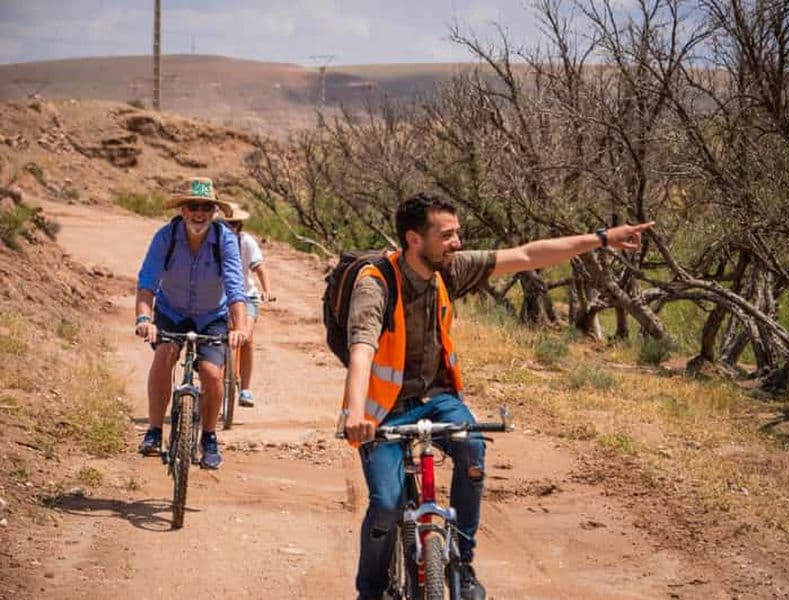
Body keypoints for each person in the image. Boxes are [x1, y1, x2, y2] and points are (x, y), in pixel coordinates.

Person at [343, 192, 654, 600]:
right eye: (447, 234)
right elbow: (361, 349)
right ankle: (371, 590)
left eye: (458, 233)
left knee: (472, 448)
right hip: (381, 410)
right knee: (386, 505)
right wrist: (354, 415)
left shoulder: (449, 270)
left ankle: (464, 565)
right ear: (414, 240)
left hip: (438, 398)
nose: (457, 242)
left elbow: (526, 255)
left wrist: (601, 239)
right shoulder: (376, 284)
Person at [134, 176, 249, 470]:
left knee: (211, 373)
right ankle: (155, 431)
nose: (199, 213)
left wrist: (240, 328)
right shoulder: (166, 237)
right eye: (193, 206)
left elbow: (236, 288)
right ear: (183, 210)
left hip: (212, 315)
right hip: (172, 311)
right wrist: (145, 318)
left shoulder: (225, 240)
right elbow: (147, 283)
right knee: (164, 355)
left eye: (206, 207)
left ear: (214, 212)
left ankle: (209, 437)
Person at [221, 203, 274, 407]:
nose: (229, 228)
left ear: (239, 225)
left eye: (233, 224)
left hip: (246, 297)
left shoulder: (246, 242)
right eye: (225, 225)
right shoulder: (211, 243)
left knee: (247, 337)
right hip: (218, 299)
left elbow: (259, 268)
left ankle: (245, 389)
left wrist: (267, 290)